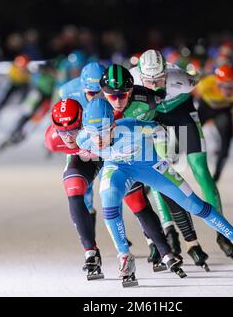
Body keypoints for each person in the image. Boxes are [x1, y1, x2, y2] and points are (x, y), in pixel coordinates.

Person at [77, 98, 233, 286]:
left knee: (194, 205)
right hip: (118, 170)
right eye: (92, 133)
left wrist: (167, 154)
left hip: (151, 166)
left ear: (113, 124)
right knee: (108, 197)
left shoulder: (132, 127)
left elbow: (158, 128)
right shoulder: (83, 139)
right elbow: (76, 145)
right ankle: (124, 255)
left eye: (102, 131)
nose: (97, 139)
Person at [45, 99, 186, 281]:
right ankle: (90, 252)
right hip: (88, 158)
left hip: (114, 155)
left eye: (73, 130)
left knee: (136, 201)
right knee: (73, 192)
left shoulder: (110, 122)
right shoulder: (52, 140)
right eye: (62, 132)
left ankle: (163, 249)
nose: (68, 137)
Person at [129, 51, 233, 260]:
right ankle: (170, 231)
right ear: (139, 76)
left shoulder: (182, 79)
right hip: (155, 117)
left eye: (159, 80)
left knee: (200, 170)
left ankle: (222, 234)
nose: (154, 85)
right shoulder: (131, 78)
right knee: (161, 172)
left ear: (166, 74)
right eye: (149, 81)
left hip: (182, 114)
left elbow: (208, 90)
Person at [194, 65, 233, 182]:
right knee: (190, 134)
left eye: (231, 86)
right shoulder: (205, 84)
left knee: (226, 142)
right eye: (224, 86)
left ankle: (217, 175)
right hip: (206, 108)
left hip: (223, 111)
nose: (228, 90)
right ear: (217, 83)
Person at [0, 60, 56, 152]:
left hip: (43, 101)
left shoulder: (51, 79)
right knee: (24, 117)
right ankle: (14, 134)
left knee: (32, 121)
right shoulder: (39, 77)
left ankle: (20, 135)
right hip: (36, 98)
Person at [0, 54, 31, 139]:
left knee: (24, 106)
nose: (22, 68)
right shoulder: (13, 70)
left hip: (22, 85)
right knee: (1, 104)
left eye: (24, 66)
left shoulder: (27, 72)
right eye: (21, 66)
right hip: (13, 84)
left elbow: (27, 83)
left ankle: (20, 124)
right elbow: (7, 86)